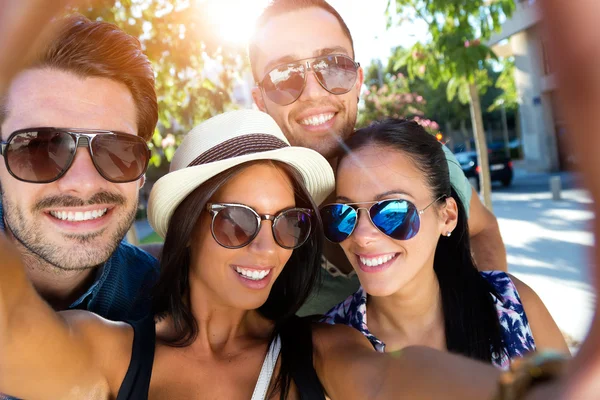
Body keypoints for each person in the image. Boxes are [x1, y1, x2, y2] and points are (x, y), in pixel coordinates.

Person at [0, 109, 511, 400]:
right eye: (237, 221)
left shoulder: (324, 350)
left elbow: (396, 380)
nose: (267, 248)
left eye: (290, 223)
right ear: (188, 228)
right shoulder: (111, 352)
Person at [248, 0, 508, 315]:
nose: (314, 93)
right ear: (260, 100)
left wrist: (492, 321)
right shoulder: (249, 206)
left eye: (333, 66)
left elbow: (482, 229)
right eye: (283, 76)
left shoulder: (417, 164)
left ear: (358, 82)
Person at [320, 118, 569, 368]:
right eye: (343, 213)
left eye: (393, 211)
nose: (362, 235)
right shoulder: (327, 348)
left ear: (447, 216)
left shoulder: (512, 304)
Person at [0, 14, 158, 322]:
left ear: (140, 172)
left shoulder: (161, 301)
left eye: (117, 150)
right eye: (39, 147)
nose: (84, 183)